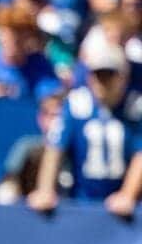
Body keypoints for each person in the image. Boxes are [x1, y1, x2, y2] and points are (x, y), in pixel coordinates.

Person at [29, 41, 142, 215]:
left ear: (124, 78)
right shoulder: (76, 104)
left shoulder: (135, 108)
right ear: (89, 77)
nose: (103, 82)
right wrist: (45, 189)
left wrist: (128, 194)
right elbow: (55, 148)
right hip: (82, 202)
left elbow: (140, 155)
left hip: (126, 208)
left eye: (110, 76)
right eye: (99, 75)